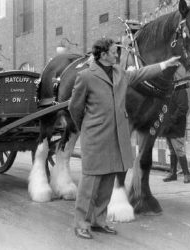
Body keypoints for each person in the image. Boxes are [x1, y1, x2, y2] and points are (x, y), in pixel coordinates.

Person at [68, 37, 181, 239]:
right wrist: (86, 127)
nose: (117, 55)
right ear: (103, 55)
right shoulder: (86, 76)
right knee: (90, 182)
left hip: (117, 137)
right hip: (95, 137)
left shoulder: (120, 73)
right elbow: (74, 107)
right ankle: (81, 223)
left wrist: (165, 64)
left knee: (108, 180)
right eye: (113, 52)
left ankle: (98, 221)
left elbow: (141, 73)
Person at [160, 86, 190, 184]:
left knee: (179, 149)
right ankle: (173, 173)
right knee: (172, 150)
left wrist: (172, 120)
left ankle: (186, 175)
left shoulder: (180, 89)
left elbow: (183, 107)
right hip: (168, 125)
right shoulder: (168, 89)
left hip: (177, 125)